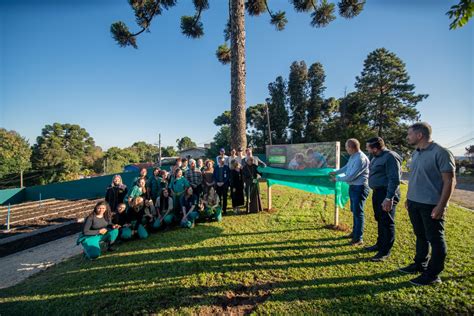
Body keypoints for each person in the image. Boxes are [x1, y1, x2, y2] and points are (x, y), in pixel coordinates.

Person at [401, 122, 456, 286]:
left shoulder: (441, 152)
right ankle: (420, 264)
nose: (407, 137)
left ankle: (433, 275)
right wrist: (409, 198)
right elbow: (417, 177)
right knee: (420, 235)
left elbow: (450, 181)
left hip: (431, 205)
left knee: (436, 239)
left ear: (419, 135)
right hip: (414, 202)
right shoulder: (416, 152)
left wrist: (441, 205)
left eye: (409, 134)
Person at [365, 137, 402, 261]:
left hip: (387, 193)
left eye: (368, 147)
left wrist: (389, 197)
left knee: (387, 221)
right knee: (379, 218)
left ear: (375, 148)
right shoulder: (375, 157)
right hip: (377, 192)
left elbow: (394, 179)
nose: (367, 149)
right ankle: (379, 244)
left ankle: (385, 251)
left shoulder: (390, 157)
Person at [330, 139, 370, 246]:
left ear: (352, 147)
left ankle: (358, 238)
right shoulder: (353, 156)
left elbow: (351, 176)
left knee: (358, 213)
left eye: (347, 147)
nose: (346, 149)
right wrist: (335, 172)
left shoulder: (360, 159)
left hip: (360, 188)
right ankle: (354, 233)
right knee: (355, 211)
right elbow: (346, 168)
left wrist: (337, 179)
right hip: (353, 187)